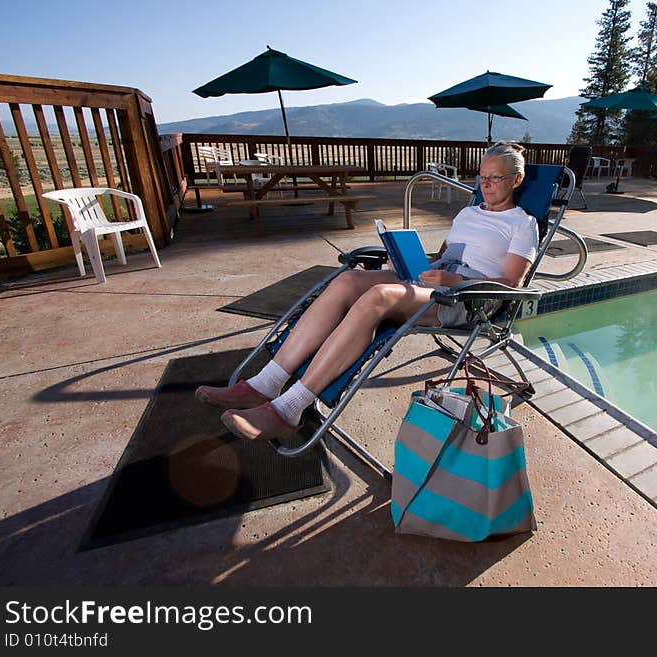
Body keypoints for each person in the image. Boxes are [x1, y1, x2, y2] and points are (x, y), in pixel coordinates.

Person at [195, 142, 539, 442]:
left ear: (516, 180)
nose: (486, 185)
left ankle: (289, 408)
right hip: (437, 281)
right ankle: (266, 382)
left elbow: (511, 285)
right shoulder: (467, 212)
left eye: (496, 178)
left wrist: (456, 284)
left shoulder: (523, 224)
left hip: (469, 298)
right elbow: (442, 257)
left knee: (378, 297)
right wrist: (407, 260)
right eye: (482, 176)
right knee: (346, 281)